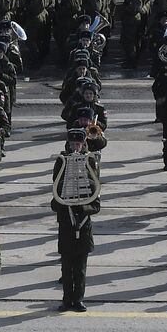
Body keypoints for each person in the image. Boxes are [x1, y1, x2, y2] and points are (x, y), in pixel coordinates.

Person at [51, 128, 100, 312]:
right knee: (66, 267)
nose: (76, 147)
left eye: (78, 144)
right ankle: (66, 300)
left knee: (80, 268)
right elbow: (55, 189)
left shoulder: (90, 160)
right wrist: (64, 202)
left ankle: (78, 299)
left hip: (83, 224)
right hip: (66, 223)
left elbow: (96, 201)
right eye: (73, 144)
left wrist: (83, 207)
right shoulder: (62, 160)